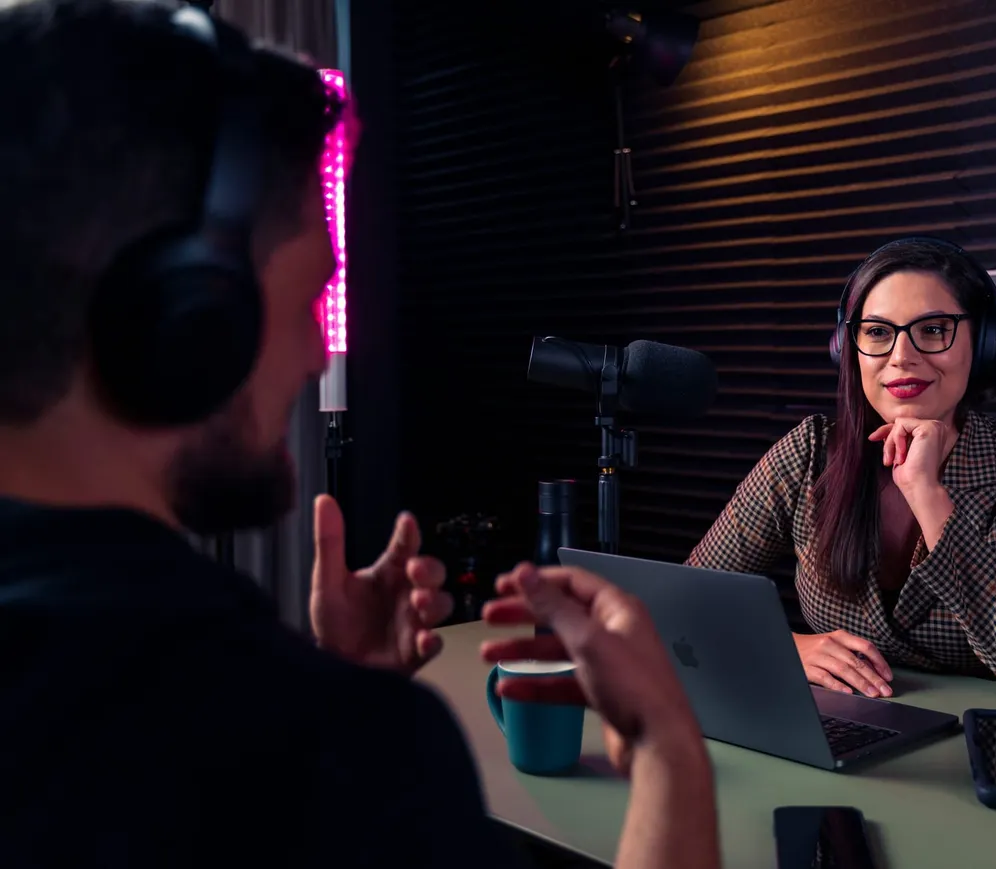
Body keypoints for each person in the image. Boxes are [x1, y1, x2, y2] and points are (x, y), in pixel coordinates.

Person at [0, 2, 719, 868]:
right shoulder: (333, 757)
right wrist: (671, 747)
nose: (316, 352)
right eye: (308, 295)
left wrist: (342, 692)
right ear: (190, 317)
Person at [687, 237, 996, 701]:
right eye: (878, 332)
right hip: (848, 732)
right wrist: (781, 647)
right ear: (849, 348)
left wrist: (928, 494)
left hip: (993, 742)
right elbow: (690, 602)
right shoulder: (809, 452)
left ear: (984, 343)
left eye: (934, 329)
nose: (902, 356)